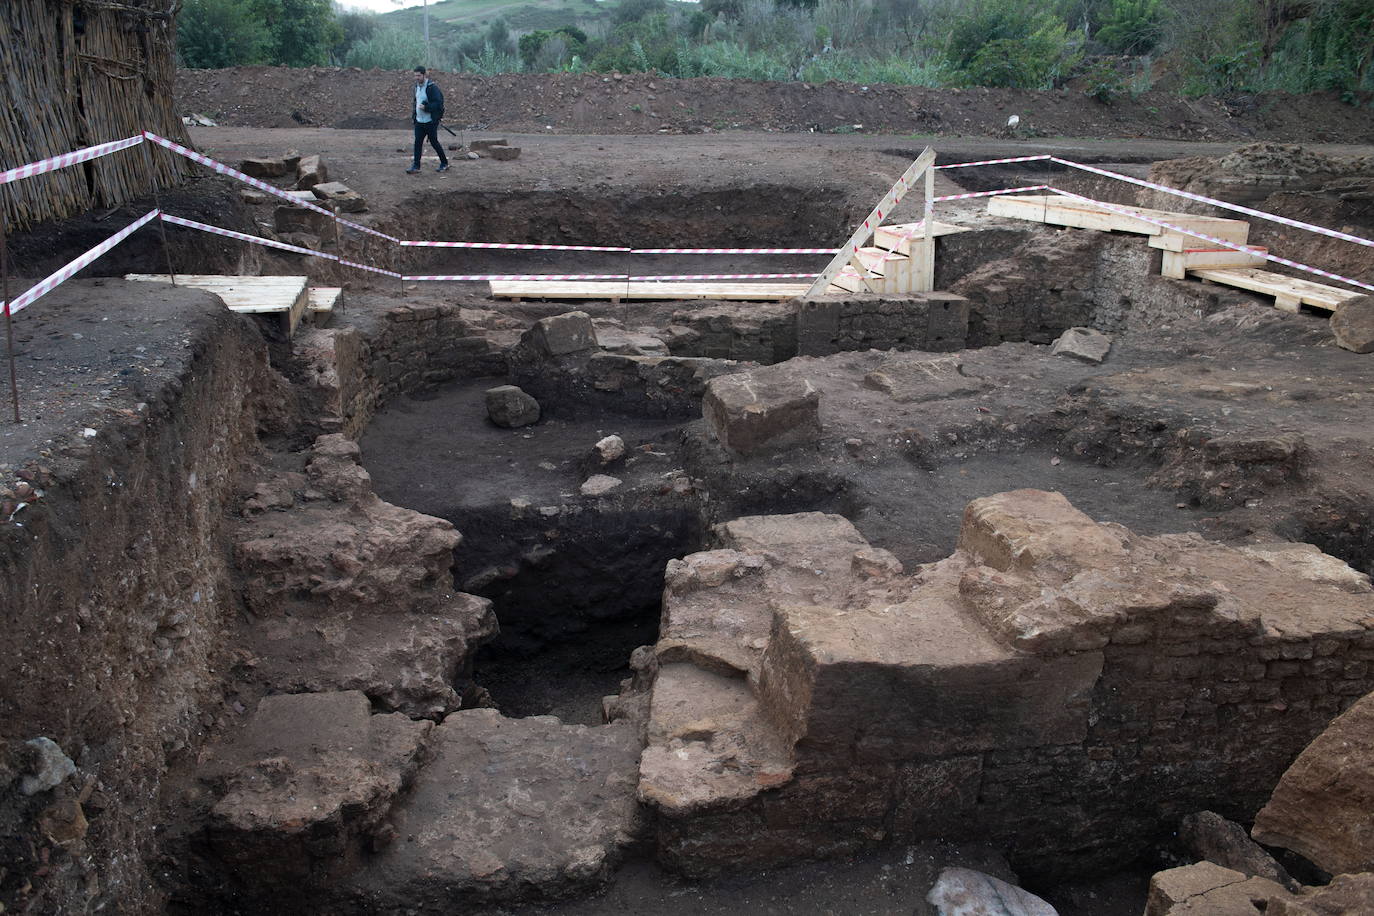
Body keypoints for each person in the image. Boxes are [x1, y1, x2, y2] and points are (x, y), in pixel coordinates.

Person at [407, 66, 448, 174]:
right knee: (417, 143)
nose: (416, 77)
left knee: (434, 143)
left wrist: (426, 107)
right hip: (419, 122)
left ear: (424, 75)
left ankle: (444, 163)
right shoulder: (416, 86)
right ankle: (416, 166)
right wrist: (414, 117)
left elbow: (438, 104)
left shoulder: (431, 87)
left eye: (419, 75)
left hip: (430, 122)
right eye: (415, 75)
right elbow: (416, 103)